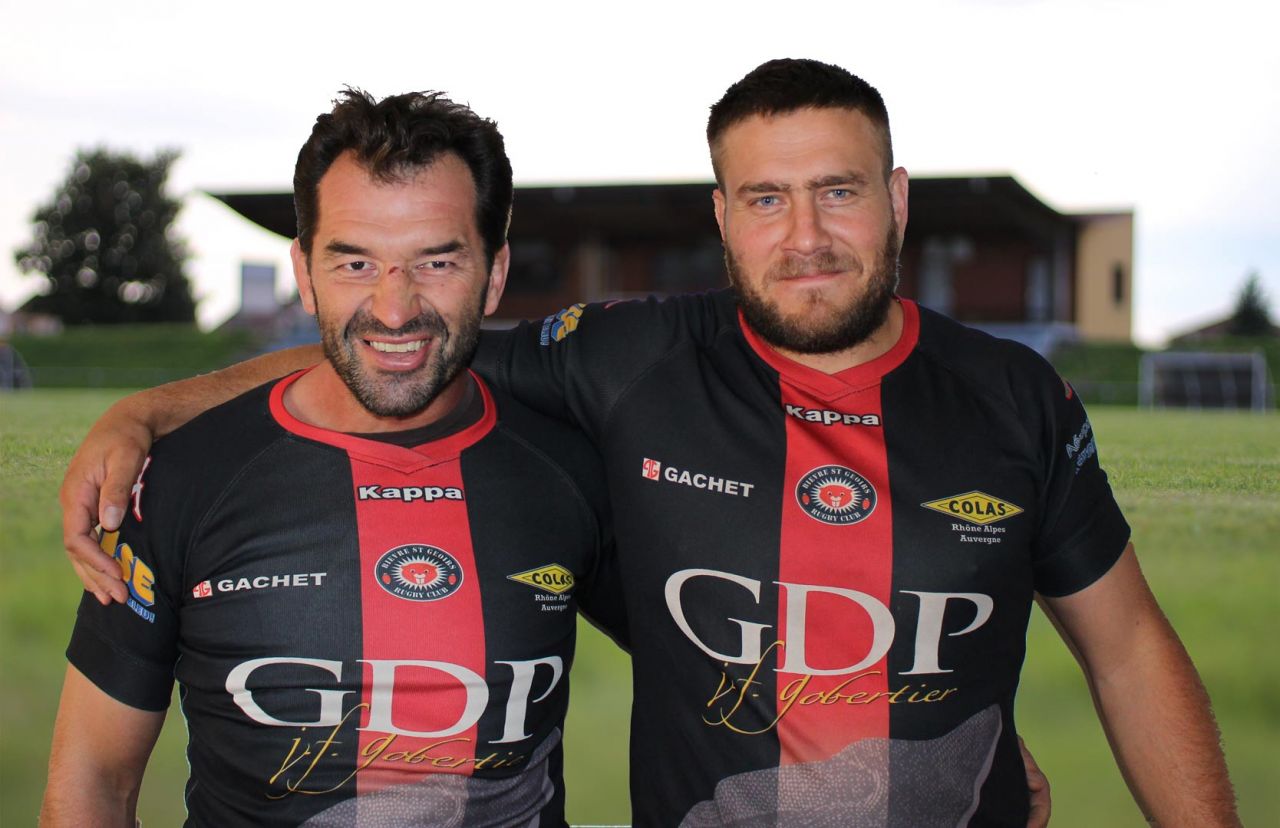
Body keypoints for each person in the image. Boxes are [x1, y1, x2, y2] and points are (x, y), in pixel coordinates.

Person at [64, 59, 1232, 828]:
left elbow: (1128, 651)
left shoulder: (1013, 395)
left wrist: (947, 743)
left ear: (896, 198)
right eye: (764, 198)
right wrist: (151, 410)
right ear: (721, 215)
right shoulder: (625, 360)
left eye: (836, 191)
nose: (805, 236)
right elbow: (398, 344)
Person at [42, 89, 623, 827]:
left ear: (495, 272)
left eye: (437, 261)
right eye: (354, 263)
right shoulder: (179, 478)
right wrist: (142, 411)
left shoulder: (570, 467)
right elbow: (91, 784)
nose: (393, 308)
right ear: (304, 271)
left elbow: (717, 691)